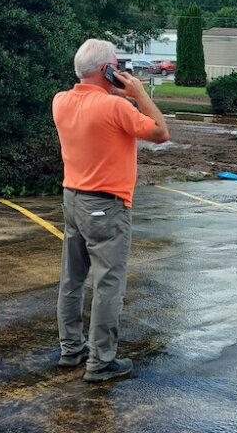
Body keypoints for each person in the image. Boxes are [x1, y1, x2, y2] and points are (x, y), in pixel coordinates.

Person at [53, 39, 170, 382]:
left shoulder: (60, 101)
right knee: (108, 284)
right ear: (107, 70)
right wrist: (139, 93)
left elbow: (97, 103)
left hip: (73, 198)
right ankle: (101, 362)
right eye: (115, 66)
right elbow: (161, 132)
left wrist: (118, 91)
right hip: (106, 204)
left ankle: (71, 350)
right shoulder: (116, 109)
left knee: (72, 279)